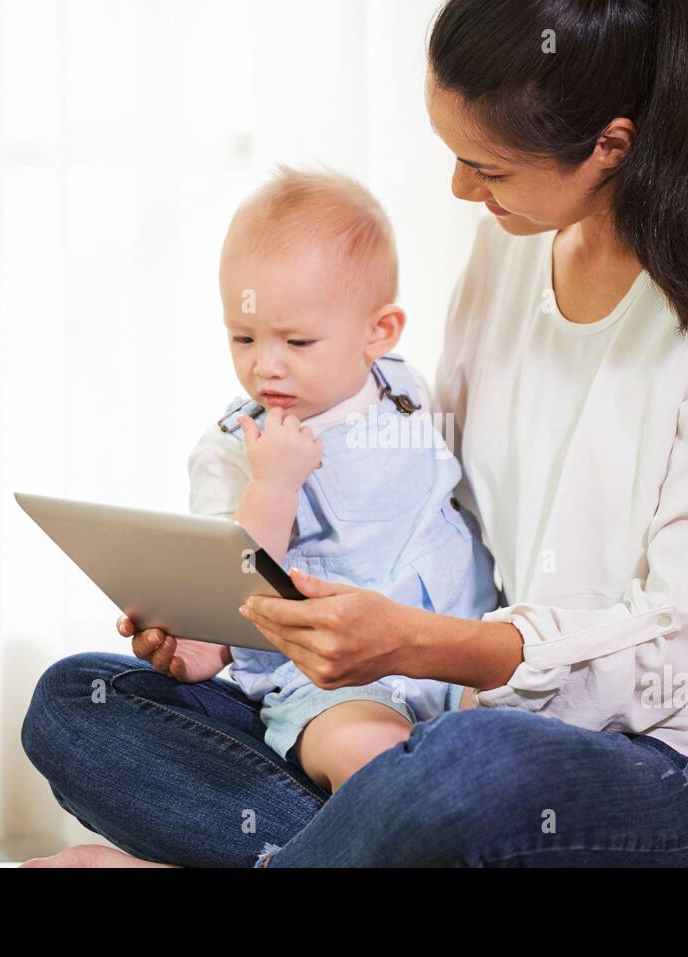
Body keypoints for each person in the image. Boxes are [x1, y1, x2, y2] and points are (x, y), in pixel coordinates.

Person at [20, 0, 688, 868]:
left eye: (487, 166)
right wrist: (228, 616)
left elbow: (671, 644)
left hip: (685, 779)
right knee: (80, 703)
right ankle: (343, 849)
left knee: (464, 777)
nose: (460, 189)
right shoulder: (516, 245)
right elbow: (444, 497)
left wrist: (417, 643)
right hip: (450, 714)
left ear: (613, 144)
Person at [186, 165, 499, 797]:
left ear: (376, 334)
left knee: (510, 753)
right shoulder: (233, 447)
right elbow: (232, 587)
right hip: (334, 683)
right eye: (242, 336)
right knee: (369, 754)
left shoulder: (404, 388)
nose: (264, 364)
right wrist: (274, 483)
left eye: (297, 341)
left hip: (461, 647)